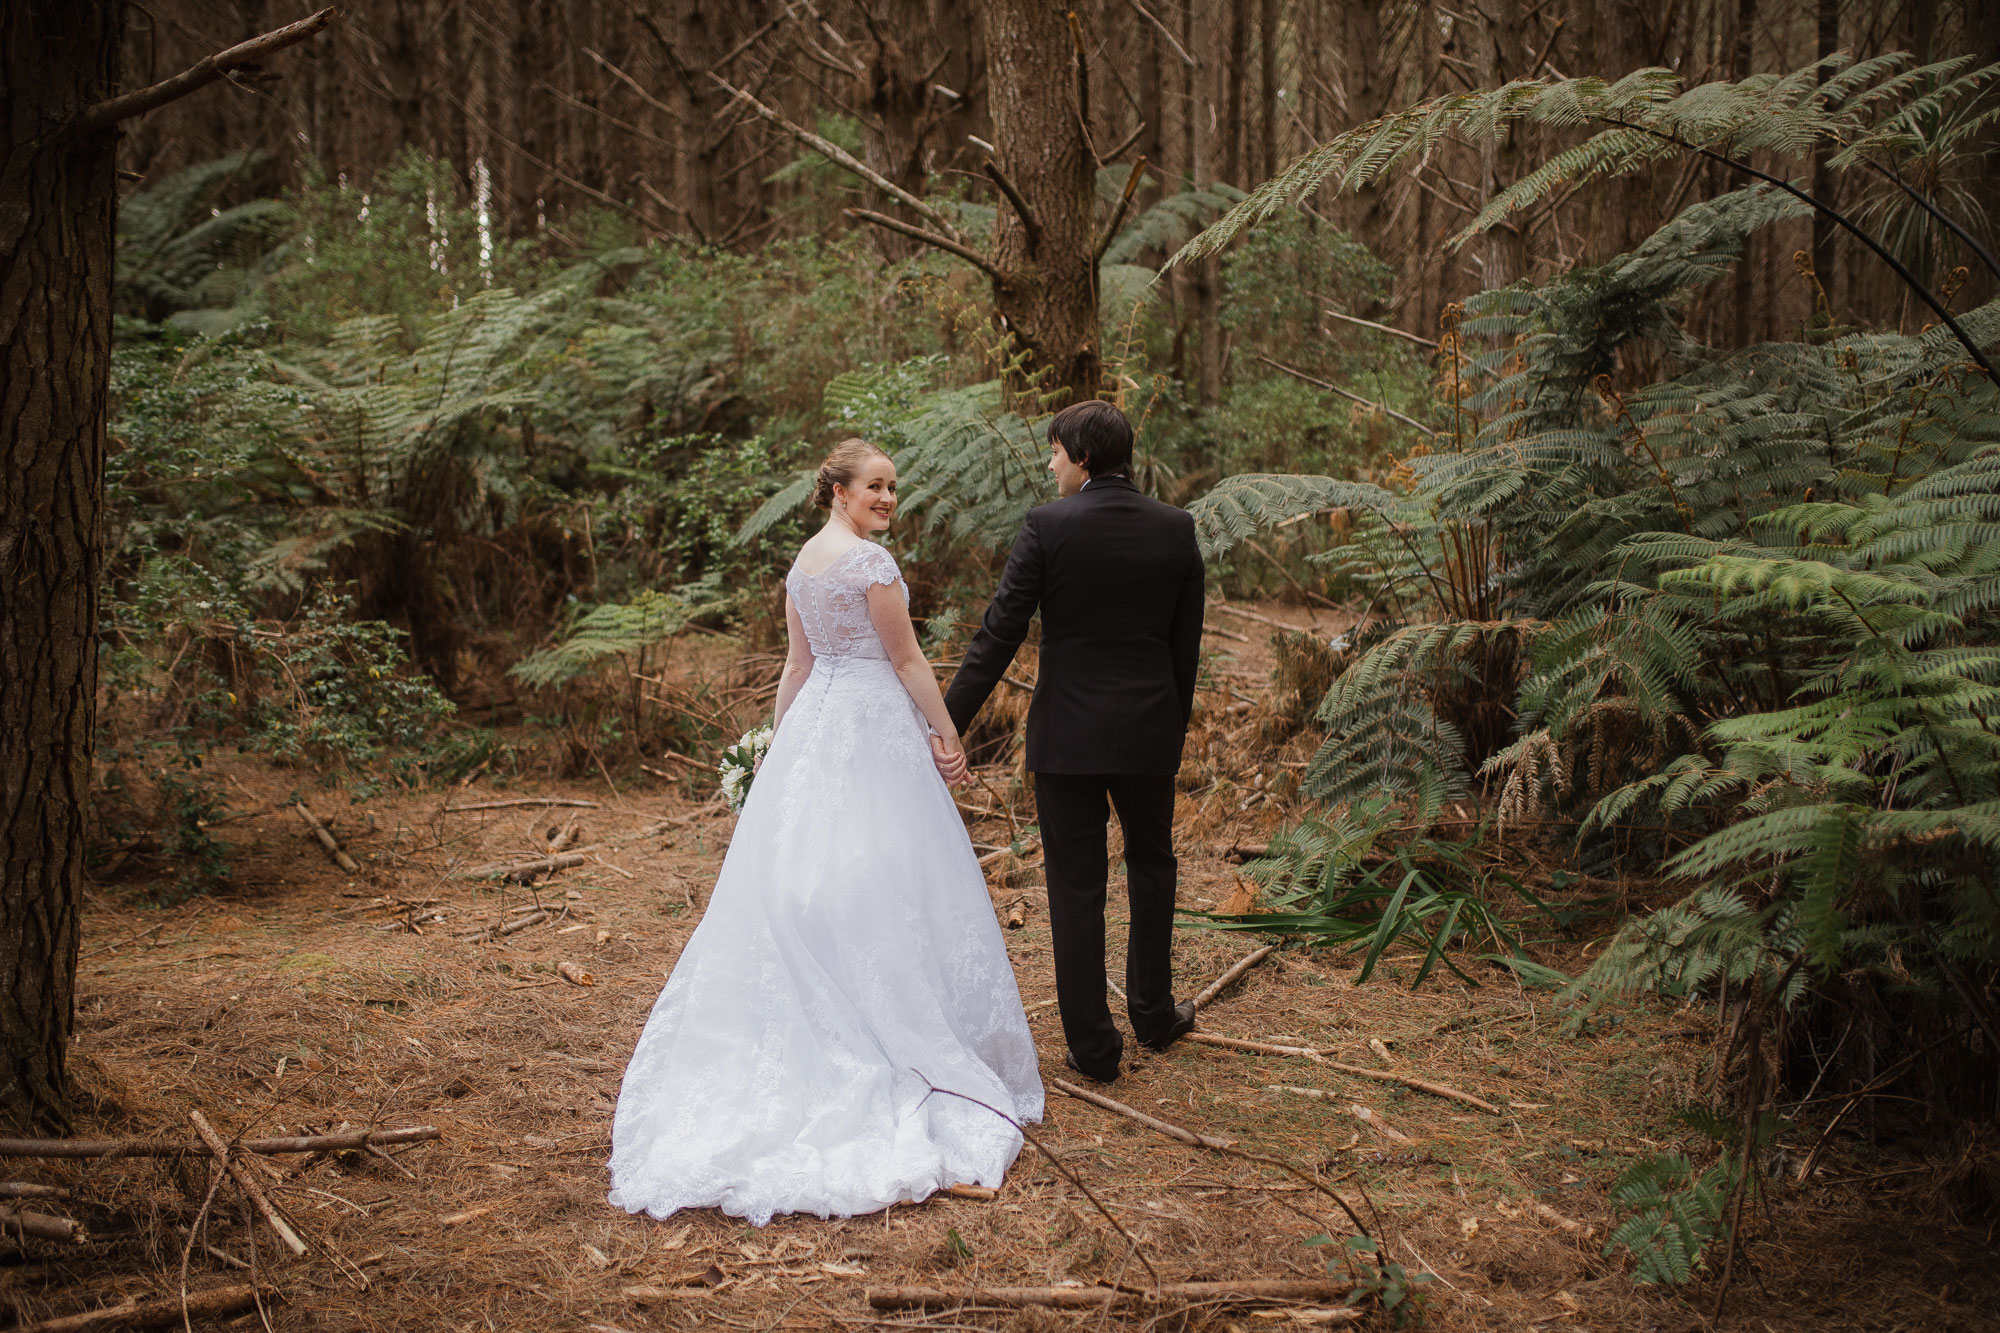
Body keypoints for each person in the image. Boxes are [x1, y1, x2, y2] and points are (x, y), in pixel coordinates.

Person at [607, 439, 1043, 1226]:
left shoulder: (804, 565)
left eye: (893, 488)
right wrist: (948, 736)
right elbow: (907, 662)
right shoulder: (870, 567)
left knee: (829, 873)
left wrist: (780, 750)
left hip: (820, 728)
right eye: (874, 486)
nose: (887, 498)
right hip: (872, 728)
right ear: (838, 490)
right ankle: (884, 1026)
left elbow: (797, 669)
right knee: (885, 872)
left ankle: (848, 997)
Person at [945, 400, 1204, 1085]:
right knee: (1152, 864)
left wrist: (947, 721)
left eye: (1056, 451)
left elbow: (999, 632)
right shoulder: (1177, 529)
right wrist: (1169, 729)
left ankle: (1093, 1047)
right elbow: (1186, 647)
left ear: (1084, 456)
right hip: (1149, 729)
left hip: (1067, 735)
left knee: (1076, 885)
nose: (1050, 463)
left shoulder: (1048, 525)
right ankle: (1152, 1012)